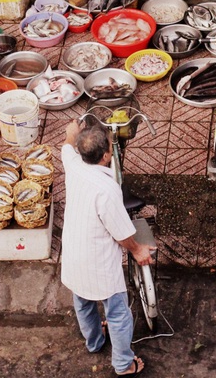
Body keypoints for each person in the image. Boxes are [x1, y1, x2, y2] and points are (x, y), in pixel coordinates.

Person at [60, 119, 155, 376]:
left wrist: (72, 134)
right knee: (118, 314)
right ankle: (123, 364)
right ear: (105, 156)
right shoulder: (107, 189)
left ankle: (94, 342)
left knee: (82, 302)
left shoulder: (72, 164)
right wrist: (137, 250)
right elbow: (122, 232)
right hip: (99, 265)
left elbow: (66, 146)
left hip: (73, 255)